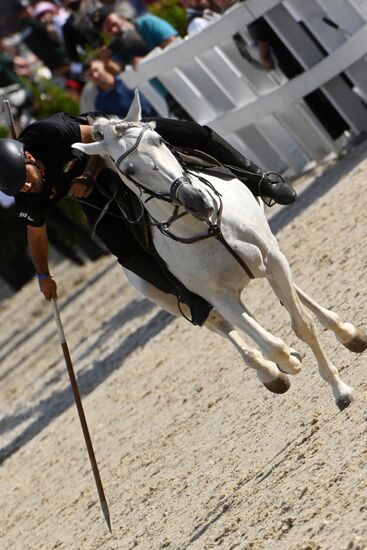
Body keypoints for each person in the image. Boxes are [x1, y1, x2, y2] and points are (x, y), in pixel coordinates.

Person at [0, 113, 296, 325]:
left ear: (28, 156)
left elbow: (100, 136)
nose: (27, 187)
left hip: (114, 142)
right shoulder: (25, 191)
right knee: (116, 243)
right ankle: (184, 293)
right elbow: (36, 233)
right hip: (92, 188)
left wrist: (88, 175)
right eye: (19, 188)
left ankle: (259, 180)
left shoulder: (48, 132)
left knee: (194, 133)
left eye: (25, 179)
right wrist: (43, 275)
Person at [84, 57, 157, 117]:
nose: (95, 75)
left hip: (162, 114)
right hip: (145, 132)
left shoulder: (127, 77)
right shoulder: (100, 104)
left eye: (96, 70)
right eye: (90, 75)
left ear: (103, 65)